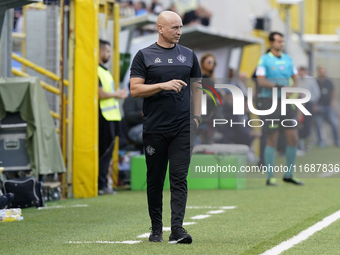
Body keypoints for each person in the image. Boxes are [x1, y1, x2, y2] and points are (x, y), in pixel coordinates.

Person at [130, 11, 202, 244]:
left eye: (180, 27)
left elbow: (198, 87)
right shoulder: (144, 56)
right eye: (174, 28)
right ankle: (156, 229)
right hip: (155, 128)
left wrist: (197, 118)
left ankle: (178, 229)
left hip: (183, 127)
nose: (179, 32)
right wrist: (162, 85)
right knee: (155, 180)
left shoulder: (189, 55)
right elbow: (135, 90)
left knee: (179, 177)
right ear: (160, 29)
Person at [256, 31, 303, 186]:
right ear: (271, 43)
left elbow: (296, 79)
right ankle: (270, 177)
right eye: (278, 41)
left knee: (293, 138)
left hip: (286, 103)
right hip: (270, 102)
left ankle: (288, 175)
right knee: (272, 138)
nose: (281, 44)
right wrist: (279, 87)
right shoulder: (264, 60)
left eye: (283, 41)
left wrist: (290, 90)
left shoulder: (288, 59)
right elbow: (261, 81)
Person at [98, 39, 128, 195]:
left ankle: (103, 183)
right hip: (104, 117)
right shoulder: (96, 70)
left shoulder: (104, 71)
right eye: (107, 51)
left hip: (111, 117)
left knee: (107, 153)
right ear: (100, 51)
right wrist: (117, 94)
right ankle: (100, 185)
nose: (109, 54)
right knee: (103, 153)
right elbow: (100, 93)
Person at [315, 65, 340, 147]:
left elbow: (333, 91)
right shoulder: (316, 82)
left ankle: (337, 140)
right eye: (321, 71)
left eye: (323, 71)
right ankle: (320, 142)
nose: (322, 73)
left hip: (328, 107)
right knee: (318, 124)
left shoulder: (328, 81)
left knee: (334, 123)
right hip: (319, 106)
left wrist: (332, 102)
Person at [297, 67, 320, 151]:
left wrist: (314, 104)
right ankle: (301, 144)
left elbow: (316, 92)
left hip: (309, 104)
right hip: (299, 104)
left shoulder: (310, 80)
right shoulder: (298, 80)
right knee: (300, 123)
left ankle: (307, 143)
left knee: (308, 123)